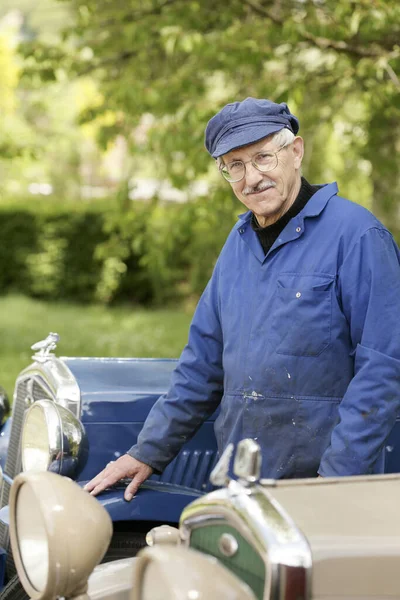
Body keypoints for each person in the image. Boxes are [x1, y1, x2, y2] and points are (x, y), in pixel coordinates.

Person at [85, 97, 400, 501]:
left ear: (296, 152)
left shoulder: (357, 236)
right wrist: (147, 452)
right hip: (239, 483)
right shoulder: (237, 246)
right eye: (235, 166)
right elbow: (201, 366)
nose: (251, 178)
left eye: (263, 158)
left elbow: (383, 369)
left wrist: (335, 482)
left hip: (324, 487)